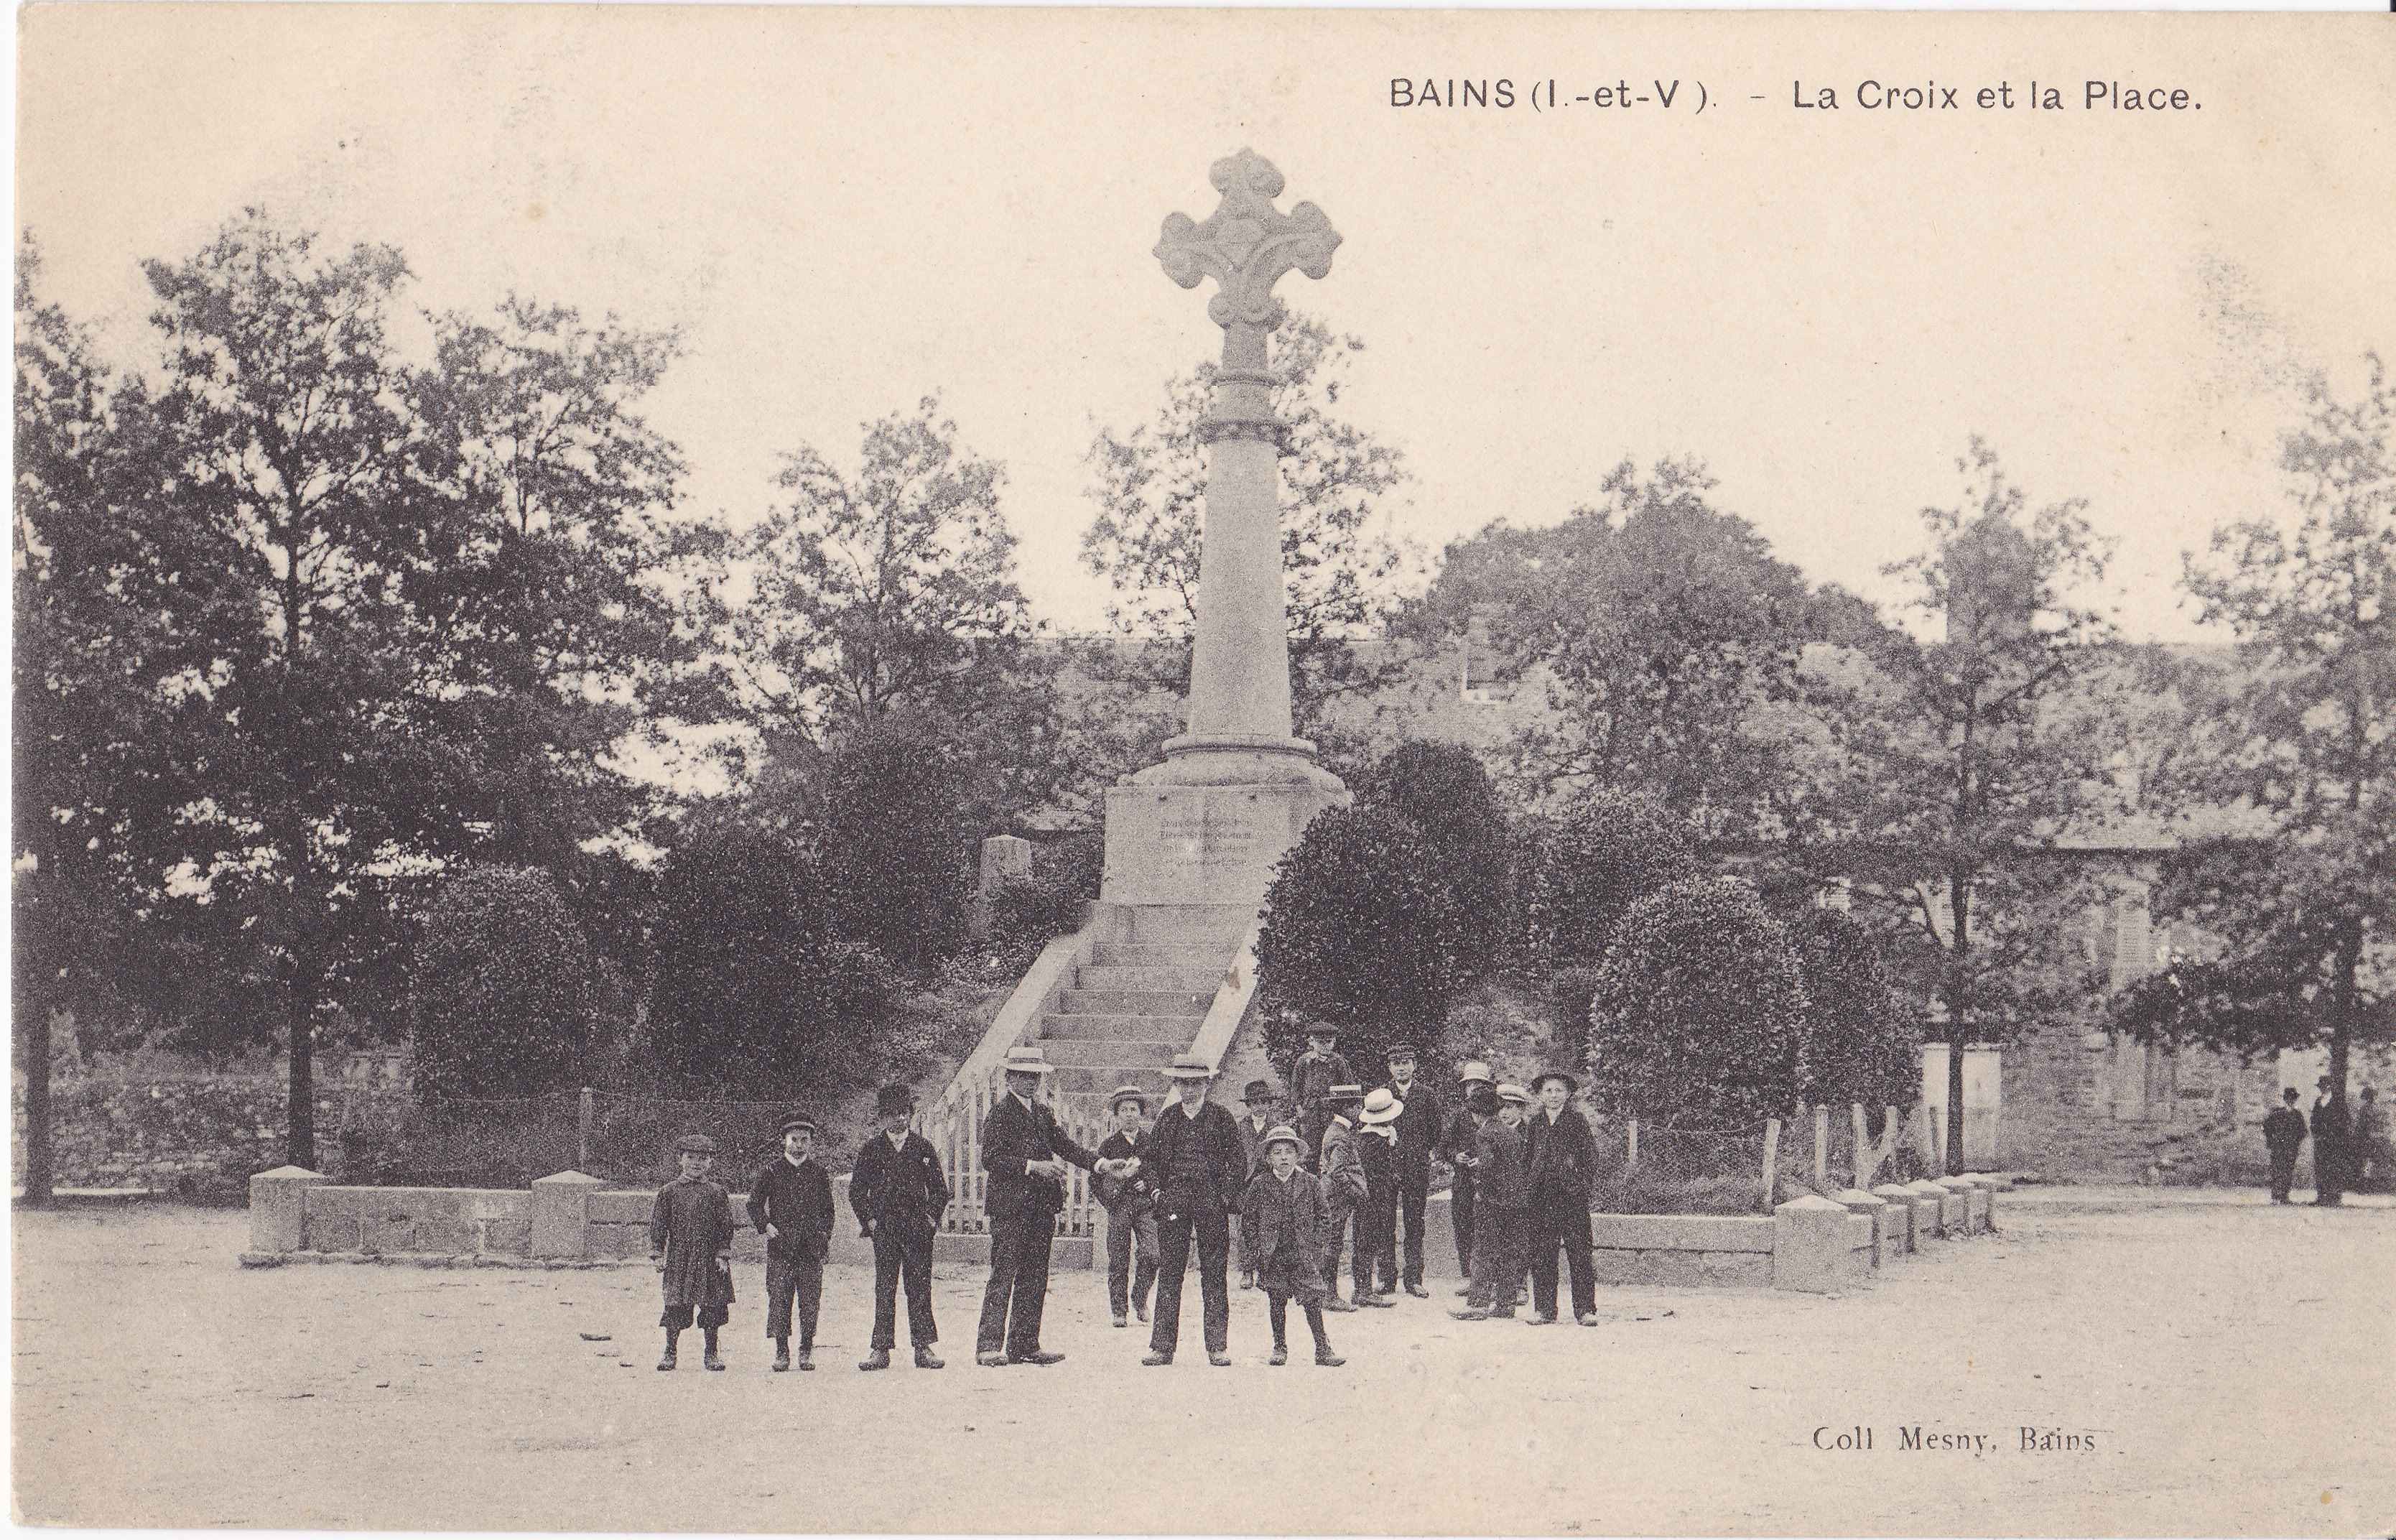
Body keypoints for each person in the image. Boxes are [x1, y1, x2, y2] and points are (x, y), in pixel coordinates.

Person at [975, 1044, 1105, 1366]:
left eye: (1035, 1077)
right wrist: (1033, 1166)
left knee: (1035, 1276)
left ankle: (1025, 1345)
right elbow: (991, 1159)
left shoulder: (1043, 1113)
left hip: (1041, 1208)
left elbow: (1066, 1146)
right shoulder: (1000, 1114)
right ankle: (988, 1346)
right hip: (1010, 1209)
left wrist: (1101, 1164)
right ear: (1009, 1078)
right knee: (1004, 1273)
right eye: (1023, 1076)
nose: (1030, 1082)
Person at [1141, 1054, 1248, 1367]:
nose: (1190, 1089)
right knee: (1171, 1274)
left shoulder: (1221, 1117)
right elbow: (1149, 1161)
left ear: (1207, 1084)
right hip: (1173, 1206)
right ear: (1176, 1085)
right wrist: (1158, 1190)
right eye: (1184, 1083)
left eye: (1196, 1083)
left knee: (1214, 1274)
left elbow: (1238, 1161)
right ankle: (1162, 1347)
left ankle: (1217, 1347)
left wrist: (1225, 1196)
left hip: (1211, 1207)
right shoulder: (1168, 1119)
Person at [849, 1084, 949, 1370]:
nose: (900, 1119)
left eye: (904, 1113)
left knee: (919, 1287)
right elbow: (857, 1191)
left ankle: (923, 1347)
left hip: (918, 1231)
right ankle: (880, 1349)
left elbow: (940, 1191)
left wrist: (930, 1220)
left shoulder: (923, 1148)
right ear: (883, 1117)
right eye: (893, 1114)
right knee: (885, 1287)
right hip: (886, 1231)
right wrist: (870, 1222)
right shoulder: (871, 1150)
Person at [1240, 1125, 1345, 1367]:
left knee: (1312, 1301)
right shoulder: (1260, 1184)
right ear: (1268, 1157)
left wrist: (1316, 1248)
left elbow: (1324, 1217)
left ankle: (1323, 1349)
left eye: (1289, 1151)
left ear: (1298, 1155)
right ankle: (1279, 1346)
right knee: (1276, 1300)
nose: (1284, 1157)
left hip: (1303, 1253)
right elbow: (1249, 1220)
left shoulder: (1310, 1182)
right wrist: (1257, 1250)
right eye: (1277, 1152)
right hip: (1273, 1254)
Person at [747, 1114, 835, 1372]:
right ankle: (782, 1350)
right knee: (779, 1298)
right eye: (794, 1139)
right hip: (781, 1248)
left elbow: (828, 1211)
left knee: (810, 1301)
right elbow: (753, 1204)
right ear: (784, 1140)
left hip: (810, 1249)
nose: (798, 1145)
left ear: (811, 1143)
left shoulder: (818, 1173)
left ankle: (806, 1349)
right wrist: (766, 1225)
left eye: (804, 1140)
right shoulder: (772, 1171)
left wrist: (822, 1235)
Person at [650, 1133, 736, 1372]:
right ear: (680, 1159)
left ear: (711, 1162)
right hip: (680, 1257)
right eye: (691, 1157)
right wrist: (658, 1253)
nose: (696, 1163)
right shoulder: (668, 1192)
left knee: (712, 1306)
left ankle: (711, 1353)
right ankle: (670, 1352)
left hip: (709, 1258)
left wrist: (722, 1254)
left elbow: (725, 1226)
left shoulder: (717, 1192)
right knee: (675, 1305)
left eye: (703, 1158)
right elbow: (659, 1224)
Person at [1523, 1071, 1600, 1327]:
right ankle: (1544, 1309)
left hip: (1572, 1199)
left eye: (1558, 1091)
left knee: (1580, 1254)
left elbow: (1590, 1158)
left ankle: (1586, 1310)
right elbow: (1526, 1161)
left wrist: (1581, 1185)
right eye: (1548, 1091)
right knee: (1543, 1255)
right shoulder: (1535, 1124)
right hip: (1542, 1200)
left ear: (1567, 1094)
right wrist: (1529, 1188)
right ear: (1540, 1095)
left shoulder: (1577, 1121)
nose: (1554, 1095)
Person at [1451, 1086, 1529, 1322]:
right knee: (1508, 1252)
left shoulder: (1484, 1133)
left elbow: (1487, 1165)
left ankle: (1478, 1303)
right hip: (1515, 1202)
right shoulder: (1509, 1132)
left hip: (1492, 1201)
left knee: (1483, 1252)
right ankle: (1505, 1305)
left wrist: (1478, 1177)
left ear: (1476, 1113)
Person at [1093, 1085, 1161, 1330]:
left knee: (1152, 1254)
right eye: (1124, 1110)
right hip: (1120, 1205)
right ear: (1116, 1115)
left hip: (1145, 1206)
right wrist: (1110, 1202)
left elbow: (1160, 1170)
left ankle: (1140, 1297)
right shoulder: (1109, 1145)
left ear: (1141, 1114)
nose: (1130, 1114)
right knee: (1118, 1257)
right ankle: (1119, 1310)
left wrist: (1149, 1183)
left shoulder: (1151, 1142)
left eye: (1134, 1109)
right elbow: (1095, 1180)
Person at [1378, 1043, 1442, 1298]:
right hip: (1387, 1166)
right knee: (1385, 1222)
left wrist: (1421, 1152)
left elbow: (1436, 1130)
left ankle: (1414, 1279)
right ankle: (1387, 1279)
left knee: (1415, 1223)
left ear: (1414, 1065)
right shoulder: (1382, 1096)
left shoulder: (1427, 1095)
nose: (1402, 1068)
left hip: (1416, 1167)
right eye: (1396, 1063)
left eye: (1406, 1062)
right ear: (1390, 1067)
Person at [1443, 1060, 1495, 1298]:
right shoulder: (1459, 1116)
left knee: (1489, 1229)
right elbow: (1442, 1146)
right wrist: (1456, 1156)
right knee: (1464, 1228)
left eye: (1479, 1084)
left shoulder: (1496, 1116)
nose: (1473, 1088)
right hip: (1464, 1182)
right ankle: (1468, 1276)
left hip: (1491, 1181)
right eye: (1470, 1085)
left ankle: (1490, 1279)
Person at [1315, 1084, 1370, 1311]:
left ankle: (1327, 1293)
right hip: (1337, 1198)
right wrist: (1356, 1193)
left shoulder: (1337, 1130)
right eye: (1357, 1105)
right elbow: (1337, 1171)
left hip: (1334, 1196)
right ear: (1346, 1107)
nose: (1360, 1110)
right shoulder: (1340, 1135)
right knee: (1333, 1245)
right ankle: (1329, 1295)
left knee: (1332, 1243)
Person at [1353, 1087, 1403, 1305]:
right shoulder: (1371, 1141)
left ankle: (1364, 1288)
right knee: (1366, 1242)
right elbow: (1376, 1175)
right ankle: (1362, 1290)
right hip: (1371, 1199)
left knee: (1372, 1240)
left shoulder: (1382, 1136)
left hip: (1380, 1198)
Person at [1233, 1078, 1279, 1289]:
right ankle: (1247, 1271)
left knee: (1268, 1226)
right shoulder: (1240, 1127)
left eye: (1263, 1102)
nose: (1259, 1106)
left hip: (1270, 1180)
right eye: (1254, 1103)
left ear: (1269, 1104)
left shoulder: (1276, 1126)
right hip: (1246, 1183)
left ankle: (1265, 1271)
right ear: (1249, 1106)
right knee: (1246, 1226)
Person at [1290, 1023, 1357, 1169]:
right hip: (1310, 1116)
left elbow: (1350, 1091)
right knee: (1310, 1152)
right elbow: (1296, 1089)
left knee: (1333, 1147)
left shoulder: (1338, 1062)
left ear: (1334, 1042)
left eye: (1328, 1042)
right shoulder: (1304, 1062)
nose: (1325, 1046)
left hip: (1333, 1114)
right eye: (1320, 1042)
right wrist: (1300, 1110)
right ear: (1311, 1041)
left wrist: (1343, 1110)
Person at [2262, 1087, 2308, 1205]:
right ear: (2285, 1099)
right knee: (2277, 1171)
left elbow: (2303, 1131)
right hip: (2278, 1148)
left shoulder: (2297, 1115)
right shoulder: (2277, 1113)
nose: (2291, 1101)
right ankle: (2275, 1196)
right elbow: (2267, 1127)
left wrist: (2296, 1142)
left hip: (2291, 1149)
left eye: (2293, 1099)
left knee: (2288, 1171)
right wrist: (2272, 1142)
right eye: (2288, 1098)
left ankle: (2284, 1196)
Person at [2311, 1076, 2351, 1207]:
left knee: (2334, 1168)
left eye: (2325, 1087)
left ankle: (2334, 1197)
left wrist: (2338, 1137)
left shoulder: (2338, 1102)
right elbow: (2314, 1120)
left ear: (2329, 1087)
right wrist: (2316, 1134)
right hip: (2321, 1142)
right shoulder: (2318, 1102)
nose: (2322, 1089)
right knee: (2320, 1168)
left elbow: (2346, 1121)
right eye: (2321, 1087)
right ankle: (2322, 1196)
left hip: (2335, 1142)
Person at [2354, 1087, 2391, 1195]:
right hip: (2376, 1139)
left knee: (2366, 1163)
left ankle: (2365, 1187)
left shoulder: (2364, 1109)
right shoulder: (2377, 1108)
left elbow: (2361, 1126)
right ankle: (2369, 1187)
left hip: (2367, 1139)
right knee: (2371, 1163)